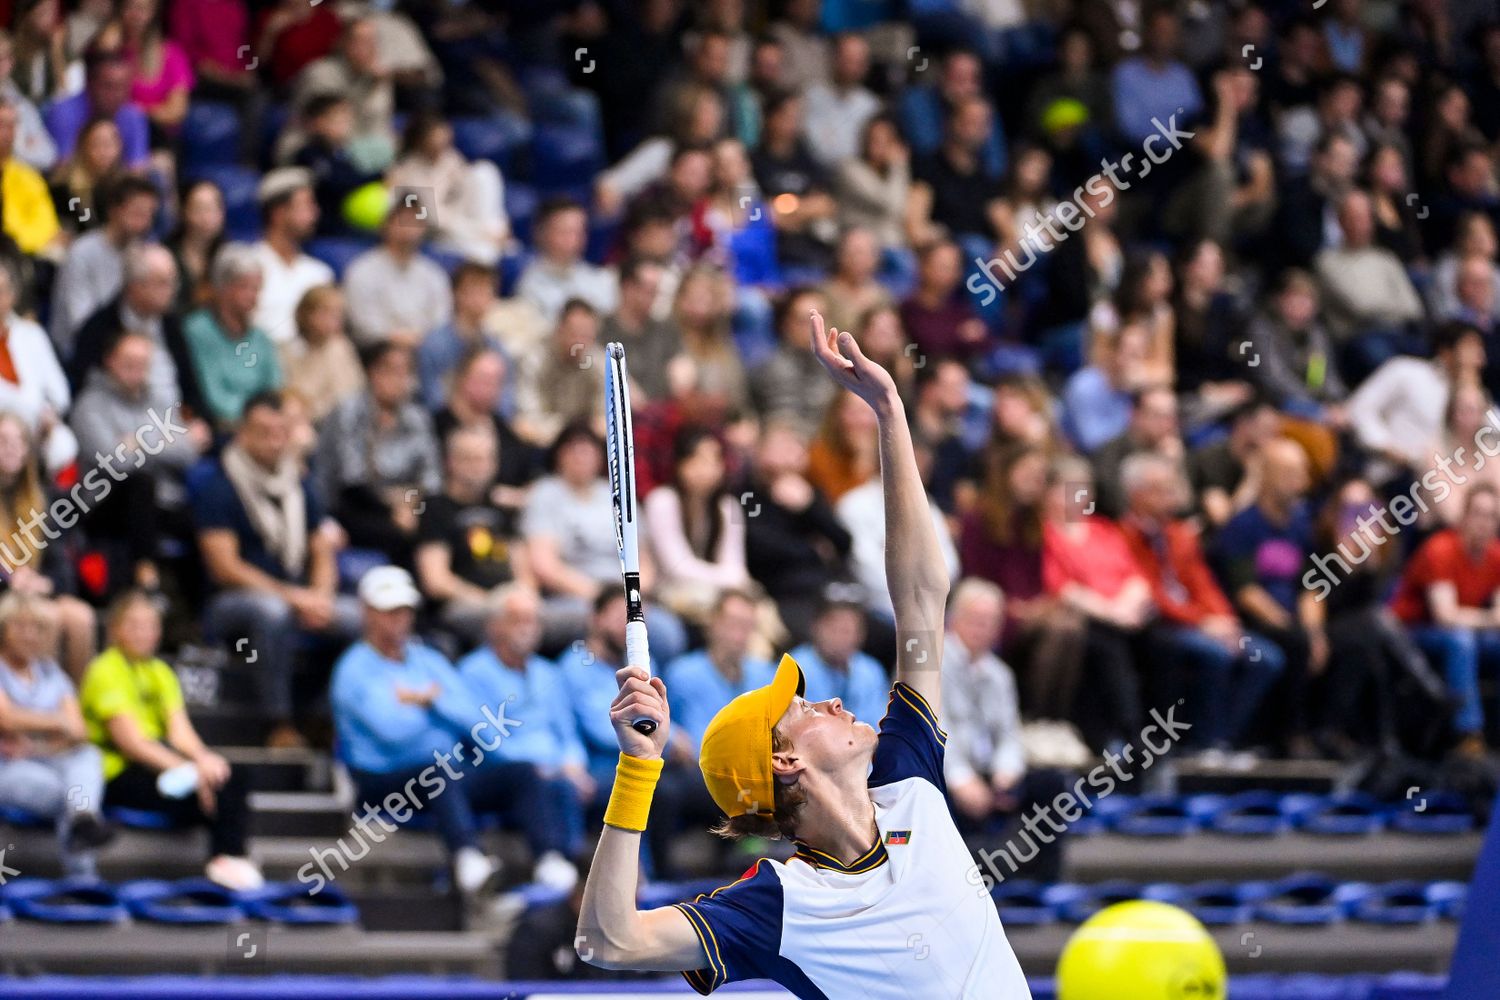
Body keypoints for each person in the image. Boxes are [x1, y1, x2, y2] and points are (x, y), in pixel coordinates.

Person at [575, 311, 1031, 998]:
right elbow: (608, 941)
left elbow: (919, 598)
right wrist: (638, 770)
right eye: (806, 708)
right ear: (785, 762)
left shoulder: (908, 778)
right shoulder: (779, 903)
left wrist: (889, 415)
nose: (835, 701)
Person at [330, 566, 571, 896]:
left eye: (404, 611)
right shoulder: (352, 669)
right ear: (368, 613)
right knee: (439, 768)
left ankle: (549, 859)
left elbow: (475, 720)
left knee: (522, 772)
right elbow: (394, 731)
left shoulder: (428, 659)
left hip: (446, 773)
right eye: (389, 612)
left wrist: (428, 702)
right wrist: (438, 706)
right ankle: (467, 857)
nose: (398, 620)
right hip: (381, 780)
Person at [191, 390, 359, 747]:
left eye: (280, 432)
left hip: (296, 595)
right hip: (230, 605)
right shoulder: (219, 485)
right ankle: (277, 723)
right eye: (262, 431)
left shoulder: (299, 485)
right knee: (273, 613)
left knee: (358, 617)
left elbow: (321, 549)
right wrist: (293, 597)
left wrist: (320, 596)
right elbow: (224, 567)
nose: (272, 441)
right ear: (243, 433)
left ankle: (323, 716)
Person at [80, 590, 260, 889]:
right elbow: (132, 743)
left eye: (151, 626)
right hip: (117, 773)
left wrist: (203, 760)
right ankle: (228, 858)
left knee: (229, 775)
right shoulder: (104, 670)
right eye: (135, 625)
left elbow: (179, 731)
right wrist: (189, 771)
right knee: (208, 789)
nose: (144, 633)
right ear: (115, 630)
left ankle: (229, 858)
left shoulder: (161, 671)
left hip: (157, 766)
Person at [1118, 452, 1283, 759]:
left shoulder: (1180, 534)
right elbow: (1151, 594)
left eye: (1172, 488)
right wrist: (1202, 623)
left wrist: (1225, 620)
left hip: (1204, 624)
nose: (1172, 496)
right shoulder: (1122, 536)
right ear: (1137, 494)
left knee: (1266, 658)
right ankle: (1203, 743)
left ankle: (1226, 740)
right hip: (1162, 625)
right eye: (1162, 489)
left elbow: (1204, 584)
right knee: (1214, 654)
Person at [456, 584, 589, 883]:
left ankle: (604, 877)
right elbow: (485, 738)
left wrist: (573, 762)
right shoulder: (472, 672)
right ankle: (554, 865)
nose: (528, 628)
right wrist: (545, 768)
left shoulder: (549, 673)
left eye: (533, 620)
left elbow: (567, 732)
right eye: (518, 619)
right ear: (494, 626)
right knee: (537, 779)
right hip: (503, 771)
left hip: (556, 771)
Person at [69, 329, 210, 595]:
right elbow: (115, 462)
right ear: (110, 360)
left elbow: (189, 453)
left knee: (209, 516)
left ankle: (202, 610)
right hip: (104, 503)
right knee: (141, 483)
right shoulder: (89, 405)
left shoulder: (159, 404)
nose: (137, 369)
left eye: (143, 363)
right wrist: (162, 442)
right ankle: (146, 576)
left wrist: (139, 442)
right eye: (128, 361)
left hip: (162, 502)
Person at [0, 590, 114, 877]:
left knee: (88, 755)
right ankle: (83, 878)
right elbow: (7, 718)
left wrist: (36, 741)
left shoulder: (51, 672)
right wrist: (57, 723)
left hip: (46, 759)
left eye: (37, 628)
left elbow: (79, 730)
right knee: (74, 798)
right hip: (8, 768)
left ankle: (82, 820)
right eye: (20, 626)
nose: (29, 635)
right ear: (3, 629)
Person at [1391, 483, 1500, 758]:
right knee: (1460, 640)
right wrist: (1490, 618)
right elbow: (1446, 616)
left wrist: (1490, 619)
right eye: (1478, 514)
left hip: (1466, 631)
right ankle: (1468, 735)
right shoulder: (1440, 549)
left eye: (1491, 516)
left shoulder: (1496, 555)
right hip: (1410, 633)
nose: (1484, 523)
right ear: (1463, 517)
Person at [315, 342, 440, 563]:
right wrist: (393, 508)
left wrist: (408, 504)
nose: (399, 380)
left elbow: (430, 479)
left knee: (439, 525)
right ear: (373, 372)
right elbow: (353, 480)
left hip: (409, 506)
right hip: (351, 505)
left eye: (406, 372)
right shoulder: (348, 413)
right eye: (391, 371)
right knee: (399, 536)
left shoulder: (417, 418)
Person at [415, 423, 532, 645]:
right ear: (449, 462)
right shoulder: (435, 508)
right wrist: (490, 602)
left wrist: (524, 597)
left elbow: (523, 571)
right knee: (513, 621)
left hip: (508, 600)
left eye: (484, 459)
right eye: (468, 459)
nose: (477, 467)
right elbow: (436, 581)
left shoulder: (502, 507)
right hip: (461, 605)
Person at [68, 244, 203, 420]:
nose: (172, 290)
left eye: (173, 282)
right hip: (123, 426)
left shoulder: (172, 325)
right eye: (162, 283)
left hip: (175, 423)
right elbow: (88, 390)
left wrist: (195, 419)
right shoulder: (98, 328)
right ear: (135, 286)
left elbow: (190, 386)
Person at [643, 427, 750, 626]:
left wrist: (734, 580)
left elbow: (735, 563)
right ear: (680, 464)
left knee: (748, 610)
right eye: (699, 459)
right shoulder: (662, 501)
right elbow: (677, 566)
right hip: (669, 593)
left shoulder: (728, 507)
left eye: (714, 460)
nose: (707, 468)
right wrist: (731, 579)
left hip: (714, 591)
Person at [48, 173, 159, 356]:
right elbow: (79, 322)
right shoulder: (81, 252)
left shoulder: (142, 253)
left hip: (129, 348)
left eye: (149, 214)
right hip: (79, 349)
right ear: (114, 210)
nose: (144, 222)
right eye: (137, 212)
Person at [183, 242, 283, 429]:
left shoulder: (260, 336)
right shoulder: (197, 330)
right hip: (221, 425)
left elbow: (274, 387)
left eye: (257, 288)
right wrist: (255, 420)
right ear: (222, 288)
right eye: (245, 287)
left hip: (262, 425)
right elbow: (212, 394)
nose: (253, 296)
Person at [663, 588, 777, 748]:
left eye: (747, 626)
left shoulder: (765, 676)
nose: (739, 635)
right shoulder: (683, 674)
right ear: (712, 622)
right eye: (733, 624)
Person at [342, 197, 453, 349]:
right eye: (403, 219)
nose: (409, 227)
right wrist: (396, 338)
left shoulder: (434, 274)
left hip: (424, 349)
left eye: (416, 220)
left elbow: (440, 321)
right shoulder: (362, 270)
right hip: (377, 349)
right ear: (386, 224)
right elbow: (362, 324)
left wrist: (421, 340)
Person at [0, 262, 76, 475]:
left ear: (12, 296)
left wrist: (47, 417)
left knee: (64, 445)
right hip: (5, 433)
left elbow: (60, 395)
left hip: (38, 435)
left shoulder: (32, 334)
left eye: (2, 292)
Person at [249, 167, 334, 348]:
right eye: (306, 205)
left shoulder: (320, 273)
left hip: (313, 366)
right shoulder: (250, 264)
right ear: (278, 213)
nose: (315, 213)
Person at [515, 198, 618, 325]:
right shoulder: (529, 287)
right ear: (541, 233)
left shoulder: (602, 279)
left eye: (578, 232)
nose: (573, 240)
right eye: (565, 232)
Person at [43, 48, 150, 168]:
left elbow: (137, 169)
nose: (118, 94)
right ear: (90, 83)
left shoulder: (133, 115)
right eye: (109, 86)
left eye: (123, 87)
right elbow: (63, 169)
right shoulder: (63, 113)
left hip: (118, 182)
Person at [278, 284, 363, 424]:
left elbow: (351, 392)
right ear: (305, 314)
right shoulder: (286, 351)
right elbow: (290, 395)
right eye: (326, 312)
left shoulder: (341, 347)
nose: (334, 319)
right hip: (302, 421)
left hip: (338, 422)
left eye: (338, 313)